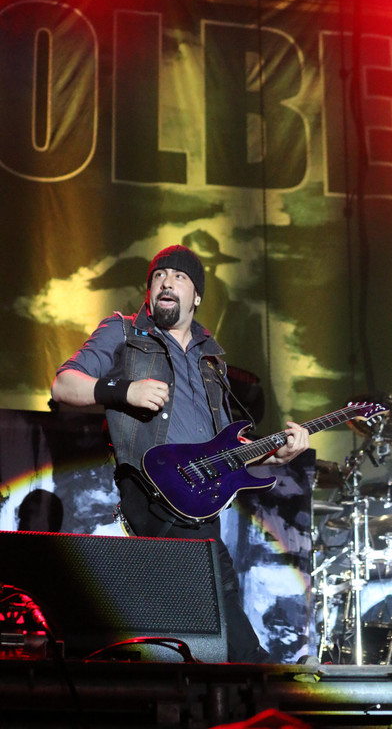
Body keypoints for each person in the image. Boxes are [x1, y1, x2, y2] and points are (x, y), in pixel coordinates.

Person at [51, 244, 310, 663]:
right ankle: (259, 672)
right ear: (149, 290)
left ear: (197, 296)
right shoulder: (123, 331)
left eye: (179, 277)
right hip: (150, 486)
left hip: (199, 498)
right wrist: (124, 391)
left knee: (216, 588)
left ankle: (227, 675)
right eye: (159, 276)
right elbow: (64, 385)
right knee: (212, 581)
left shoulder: (212, 362)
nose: (167, 282)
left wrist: (274, 457)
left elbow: (226, 449)